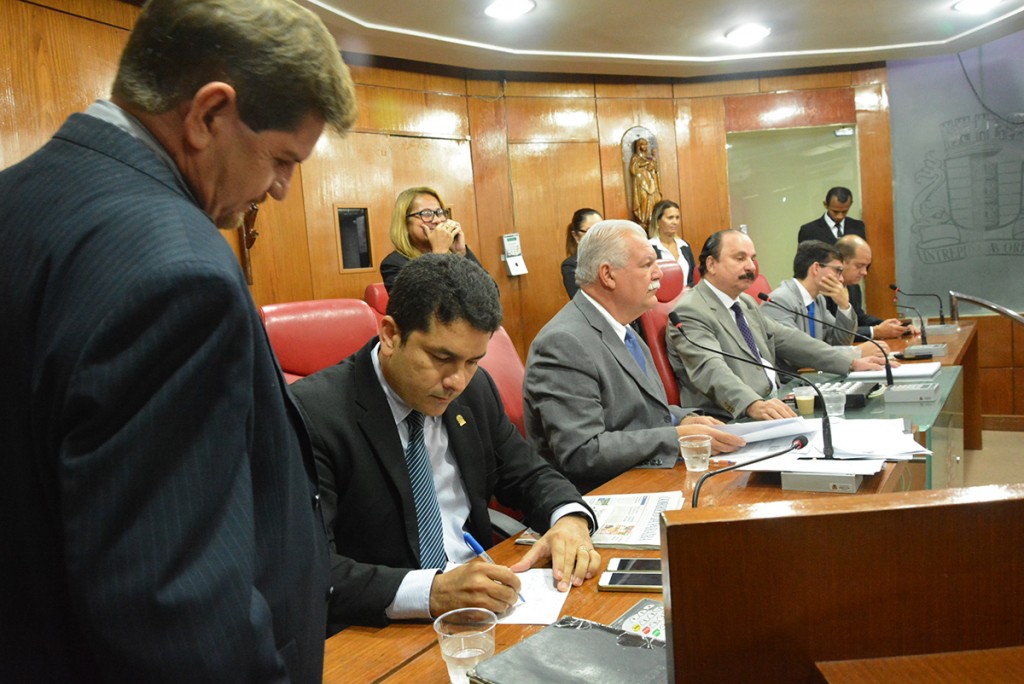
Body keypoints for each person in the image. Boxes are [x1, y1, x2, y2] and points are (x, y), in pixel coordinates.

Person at [0, 1, 356, 681]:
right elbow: (177, 612)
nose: (281, 189)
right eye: (281, 159)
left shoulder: (17, 197)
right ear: (209, 114)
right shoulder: (180, 271)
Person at [291, 254, 598, 634]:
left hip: (486, 610)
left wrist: (569, 518)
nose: (457, 381)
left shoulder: (475, 389)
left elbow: (529, 473)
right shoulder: (313, 414)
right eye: (441, 358)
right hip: (383, 626)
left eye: (472, 361)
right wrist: (432, 591)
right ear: (390, 335)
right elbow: (311, 568)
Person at [524, 220, 744, 493]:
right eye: (647, 264)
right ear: (608, 275)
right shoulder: (563, 343)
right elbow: (583, 452)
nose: (659, 273)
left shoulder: (626, 329)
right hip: (600, 495)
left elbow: (635, 412)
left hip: (644, 479)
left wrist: (684, 419)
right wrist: (675, 437)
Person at [666, 230, 891, 420]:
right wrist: (752, 404)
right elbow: (710, 369)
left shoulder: (744, 302)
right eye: (740, 258)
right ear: (711, 264)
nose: (751, 266)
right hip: (732, 417)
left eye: (752, 258)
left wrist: (850, 362)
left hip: (775, 404)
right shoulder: (691, 310)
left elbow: (788, 339)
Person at [763, 240, 864, 351]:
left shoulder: (818, 300)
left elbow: (840, 343)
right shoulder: (779, 301)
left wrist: (844, 306)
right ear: (816, 268)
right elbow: (800, 351)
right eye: (838, 271)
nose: (841, 279)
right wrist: (856, 352)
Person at [380, 186, 481, 292]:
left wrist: (461, 254)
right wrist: (438, 254)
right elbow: (422, 301)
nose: (437, 220)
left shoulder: (452, 255)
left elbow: (488, 294)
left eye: (439, 212)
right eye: (426, 214)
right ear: (405, 224)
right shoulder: (393, 264)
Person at [831, 234, 917, 339]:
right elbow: (833, 332)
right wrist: (876, 331)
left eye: (867, 266)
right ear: (840, 262)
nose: (865, 272)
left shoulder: (853, 287)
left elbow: (860, 318)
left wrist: (895, 327)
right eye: (859, 266)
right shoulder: (824, 289)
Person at [647, 199, 696, 287]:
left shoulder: (684, 246)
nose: (675, 222)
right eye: (670, 218)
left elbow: (693, 277)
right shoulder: (649, 247)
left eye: (677, 218)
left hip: (688, 294)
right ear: (658, 221)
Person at [797, 186, 866, 244]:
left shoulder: (858, 227)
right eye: (835, 212)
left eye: (844, 211)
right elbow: (804, 256)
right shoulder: (808, 231)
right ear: (825, 205)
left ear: (850, 204)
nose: (840, 216)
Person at [561, 207, 603, 298]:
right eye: (590, 231)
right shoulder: (572, 265)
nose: (597, 236)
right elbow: (582, 300)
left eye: (600, 230)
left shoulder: (615, 255)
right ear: (576, 236)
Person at [630, 137, 662, 227]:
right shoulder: (636, 157)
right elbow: (633, 169)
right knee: (644, 199)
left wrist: (653, 163)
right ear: (638, 146)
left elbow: (655, 168)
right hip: (642, 183)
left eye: (646, 145)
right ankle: (644, 219)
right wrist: (645, 164)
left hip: (651, 181)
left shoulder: (649, 157)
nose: (645, 147)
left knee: (654, 199)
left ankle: (652, 219)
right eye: (642, 145)